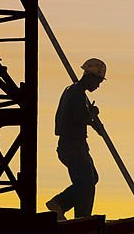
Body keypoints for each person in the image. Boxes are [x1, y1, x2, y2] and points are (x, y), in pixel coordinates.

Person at [45, 58, 107, 220]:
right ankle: (73, 212)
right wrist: (92, 114)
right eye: (98, 81)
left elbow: (78, 118)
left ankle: (62, 205)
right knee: (86, 183)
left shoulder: (75, 92)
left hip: (74, 145)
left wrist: (94, 123)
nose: (98, 85)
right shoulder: (76, 93)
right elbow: (79, 119)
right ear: (90, 77)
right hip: (72, 146)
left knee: (91, 179)